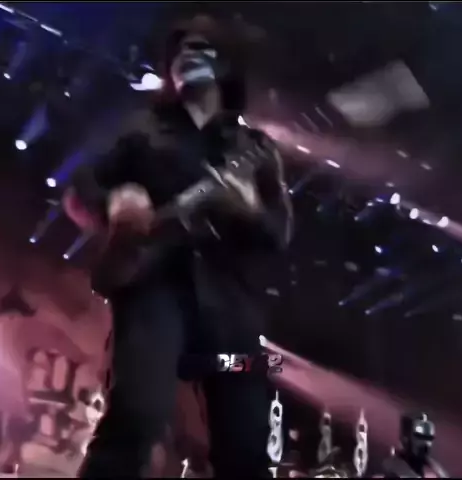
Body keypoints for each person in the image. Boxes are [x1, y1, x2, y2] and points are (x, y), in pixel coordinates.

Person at [63, 14, 293, 478]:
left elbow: (280, 232)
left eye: (201, 47)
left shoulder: (256, 148)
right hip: (154, 293)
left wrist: (248, 209)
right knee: (136, 416)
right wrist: (115, 203)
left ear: (225, 65)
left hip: (232, 313)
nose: (188, 54)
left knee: (246, 442)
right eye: (181, 49)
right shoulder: (140, 129)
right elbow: (80, 189)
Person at [381, 413, 448, 478]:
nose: (426, 443)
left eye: (429, 438)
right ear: (406, 438)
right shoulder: (393, 467)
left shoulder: (436, 469)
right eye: (420, 436)